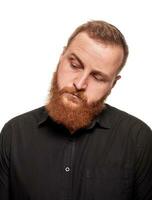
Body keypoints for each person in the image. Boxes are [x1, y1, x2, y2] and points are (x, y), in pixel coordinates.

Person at [0, 20, 152, 200]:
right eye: (74, 65)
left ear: (113, 84)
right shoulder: (14, 134)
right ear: (61, 57)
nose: (79, 84)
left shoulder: (138, 139)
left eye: (97, 77)